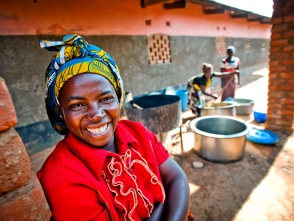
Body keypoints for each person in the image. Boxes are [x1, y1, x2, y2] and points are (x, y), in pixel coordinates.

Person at [37, 34, 192, 221]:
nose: (96, 114)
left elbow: (177, 179)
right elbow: (172, 188)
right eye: (77, 105)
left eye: (105, 99)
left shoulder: (136, 132)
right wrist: (162, 204)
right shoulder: (61, 176)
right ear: (60, 113)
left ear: (118, 99)